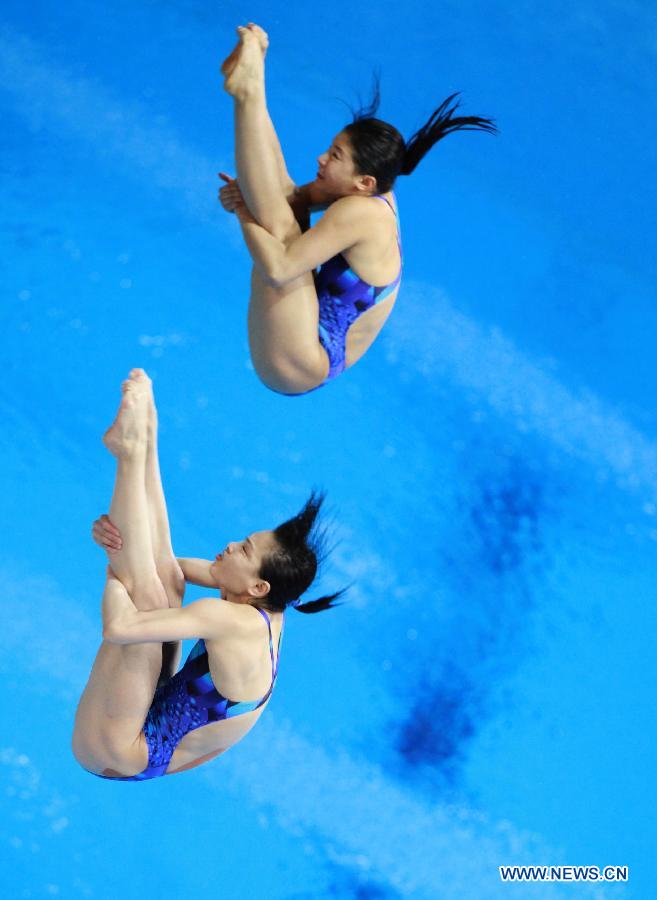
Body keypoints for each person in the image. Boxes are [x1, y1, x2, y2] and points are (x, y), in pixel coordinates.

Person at [71, 368, 341, 781]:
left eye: (244, 550)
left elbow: (118, 627)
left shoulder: (230, 619)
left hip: (119, 751)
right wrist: (115, 539)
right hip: (145, 719)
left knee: (146, 599)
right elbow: (168, 564)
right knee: (165, 579)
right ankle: (143, 444)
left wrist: (112, 569)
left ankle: (130, 455)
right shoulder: (267, 603)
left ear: (258, 585)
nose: (232, 545)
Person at [218, 23, 497, 395]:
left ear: (363, 182)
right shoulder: (375, 188)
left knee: (281, 233)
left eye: (335, 156)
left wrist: (243, 211)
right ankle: (253, 89)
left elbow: (280, 268)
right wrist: (249, 199)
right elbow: (286, 196)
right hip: (302, 331)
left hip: (300, 363)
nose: (320, 158)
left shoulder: (362, 214)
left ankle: (247, 96)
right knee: (285, 209)